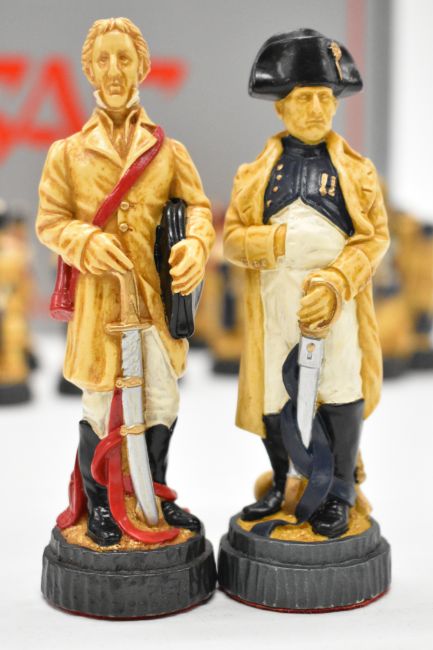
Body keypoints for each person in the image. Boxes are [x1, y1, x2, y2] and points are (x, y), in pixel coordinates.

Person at [37, 17, 214, 546]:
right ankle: (100, 504)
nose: (114, 70)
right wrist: (84, 242)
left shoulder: (169, 151)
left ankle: (150, 489)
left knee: (161, 400)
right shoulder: (67, 153)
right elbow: (50, 221)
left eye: (124, 58)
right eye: (104, 59)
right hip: (99, 305)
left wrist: (196, 245)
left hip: (153, 304)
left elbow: (199, 209)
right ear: (89, 71)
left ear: (142, 68)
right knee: (99, 404)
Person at [223, 28, 389, 538]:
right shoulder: (254, 175)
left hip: (336, 302)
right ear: (281, 107)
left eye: (324, 98)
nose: (316, 109)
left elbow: (374, 239)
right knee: (276, 392)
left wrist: (338, 281)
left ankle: (338, 490)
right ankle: (284, 480)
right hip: (276, 300)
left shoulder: (357, 173)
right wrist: (272, 243)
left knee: (338, 386)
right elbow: (232, 240)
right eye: (303, 98)